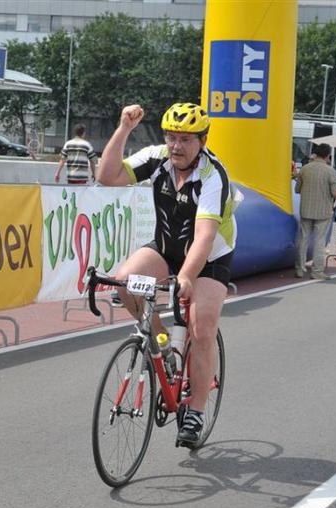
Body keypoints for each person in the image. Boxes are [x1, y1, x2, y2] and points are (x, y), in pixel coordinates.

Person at [96, 102, 237, 446]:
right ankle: (161, 342)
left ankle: (196, 411)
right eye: (172, 137)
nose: (176, 145)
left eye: (185, 139)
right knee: (126, 282)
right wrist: (124, 128)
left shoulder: (212, 175)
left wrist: (186, 277)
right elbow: (107, 177)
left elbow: (203, 237)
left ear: (202, 141)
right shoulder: (157, 158)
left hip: (210, 256)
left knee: (201, 327)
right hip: (167, 246)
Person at [294, 142, 336, 279]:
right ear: (327, 156)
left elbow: (297, 189)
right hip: (323, 211)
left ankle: (299, 268)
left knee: (303, 239)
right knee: (319, 241)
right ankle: (317, 271)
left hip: (306, 209)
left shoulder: (305, 169)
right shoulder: (330, 171)